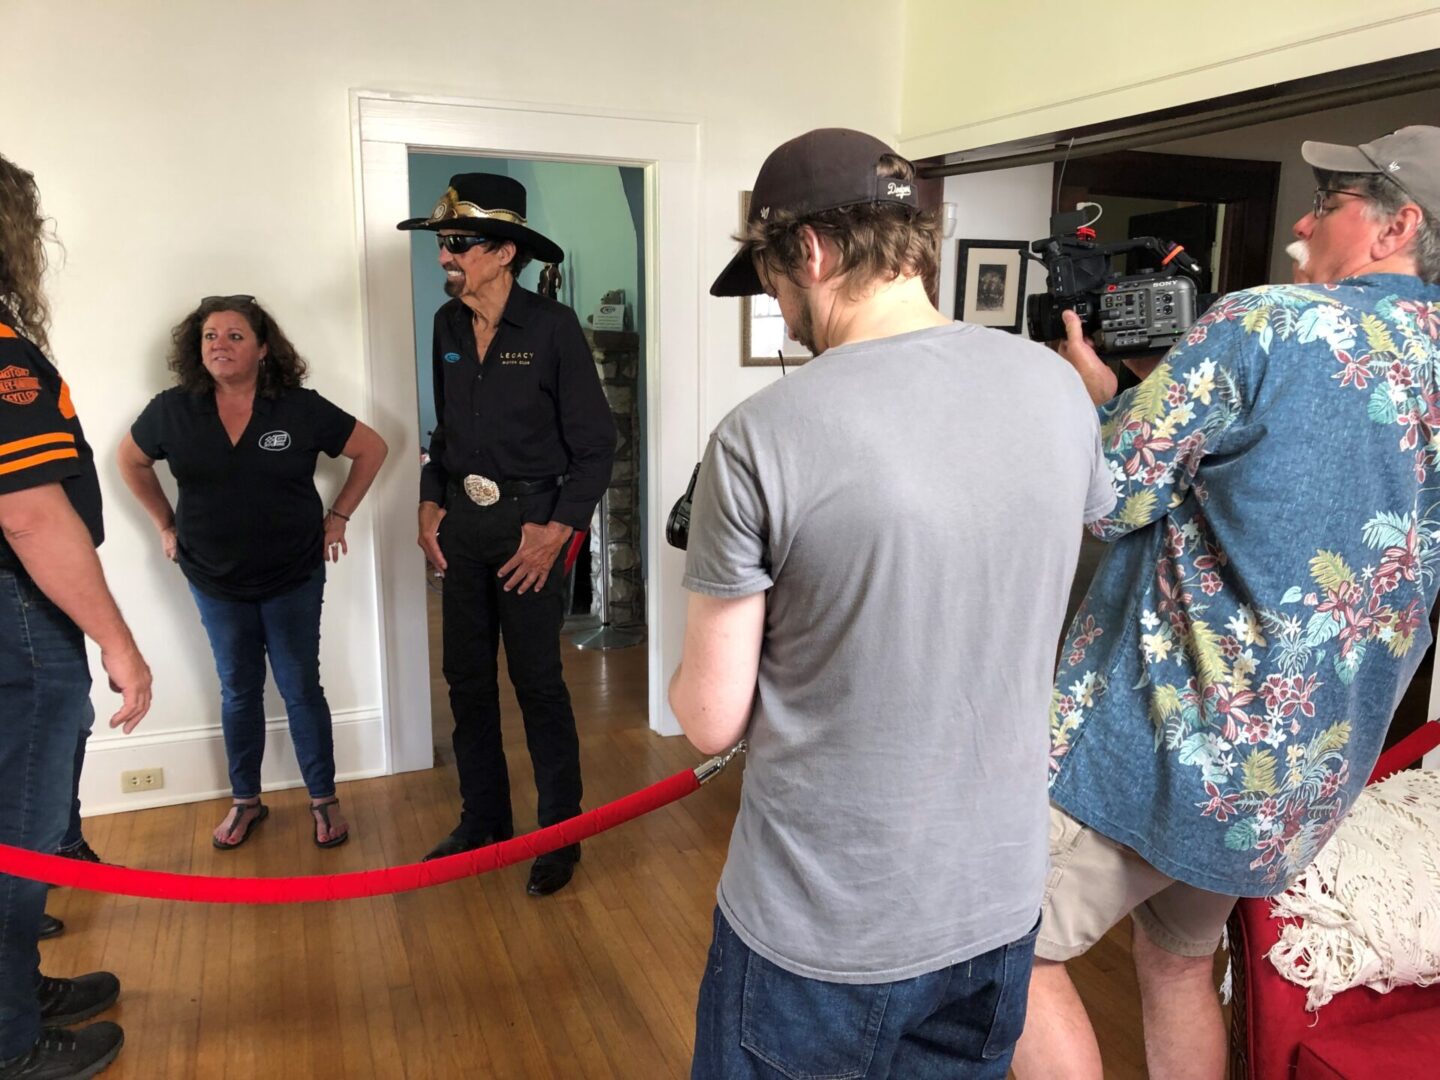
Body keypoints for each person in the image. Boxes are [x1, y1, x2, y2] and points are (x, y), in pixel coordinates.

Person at [669, 128, 1114, 1078]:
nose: (782, 315)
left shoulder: (759, 436)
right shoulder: (1060, 388)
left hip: (824, 922)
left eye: (774, 282)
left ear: (814, 253)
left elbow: (708, 719)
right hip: (996, 901)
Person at [1013, 126, 1440, 1080]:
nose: (1302, 220)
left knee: (1000, 952)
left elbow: (1108, 495)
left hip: (1160, 751)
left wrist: (1098, 397)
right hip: (1296, 782)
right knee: (1176, 967)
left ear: (1397, 224)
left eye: (1329, 204)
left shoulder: (1267, 324)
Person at [398, 173, 615, 897]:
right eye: (443, 244)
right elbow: (447, 434)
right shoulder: (446, 326)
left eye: (456, 244)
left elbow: (596, 447)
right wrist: (431, 500)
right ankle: (484, 818)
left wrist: (557, 533)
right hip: (464, 528)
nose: (444, 258)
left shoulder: (552, 330)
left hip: (532, 535)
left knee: (538, 684)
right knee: (464, 680)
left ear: (502, 251)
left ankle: (560, 832)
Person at [117, 297, 387, 850]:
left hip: (293, 573)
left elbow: (373, 449)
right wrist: (165, 524)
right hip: (213, 577)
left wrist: (338, 518)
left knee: (299, 686)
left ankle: (323, 799)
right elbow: (130, 461)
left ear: (264, 349)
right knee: (238, 689)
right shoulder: (172, 410)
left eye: (235, 336)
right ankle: (246, 800)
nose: (220, 344)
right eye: (210, 336)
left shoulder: (299, 408)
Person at [0, 152, 152, 1080]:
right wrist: (120, 644)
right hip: (15, 617)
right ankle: (12, 1038)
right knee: (21, 823)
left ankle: (17, 986)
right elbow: (25, 510)